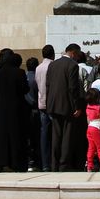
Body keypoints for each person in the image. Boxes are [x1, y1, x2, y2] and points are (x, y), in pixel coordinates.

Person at [46, 43, 84, 171]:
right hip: (67, 105)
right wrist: (77, 106)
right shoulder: (72, 65)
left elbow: (48, 85)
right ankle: (64, 164)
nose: (78, 58)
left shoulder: (53, 64)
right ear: (73, 53)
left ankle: (54, 164)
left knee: (56, 136)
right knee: (67, 136)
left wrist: (48, 104)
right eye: (77, 55)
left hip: (53, 104)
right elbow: (73, 88)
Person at [0, 49, 29, 172]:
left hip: (0, 109)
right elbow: (25, 89)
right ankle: (15, 162)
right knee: (15, 136)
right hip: (16, 109)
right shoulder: (20, 72)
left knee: (0, 137)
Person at [35, 44, 55, 172]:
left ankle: (45, 163)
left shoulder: (38, 68)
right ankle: (53, 162)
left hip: (41, 103)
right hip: (52, 104)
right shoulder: (53, 66)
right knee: (55, 134)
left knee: (44, 134)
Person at [85, 87, 100, 172]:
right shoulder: (99, 107)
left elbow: (88, 119)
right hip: (97, 128)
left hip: (90, 127)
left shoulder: (88, 107)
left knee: (91, 148)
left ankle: (89, 165)